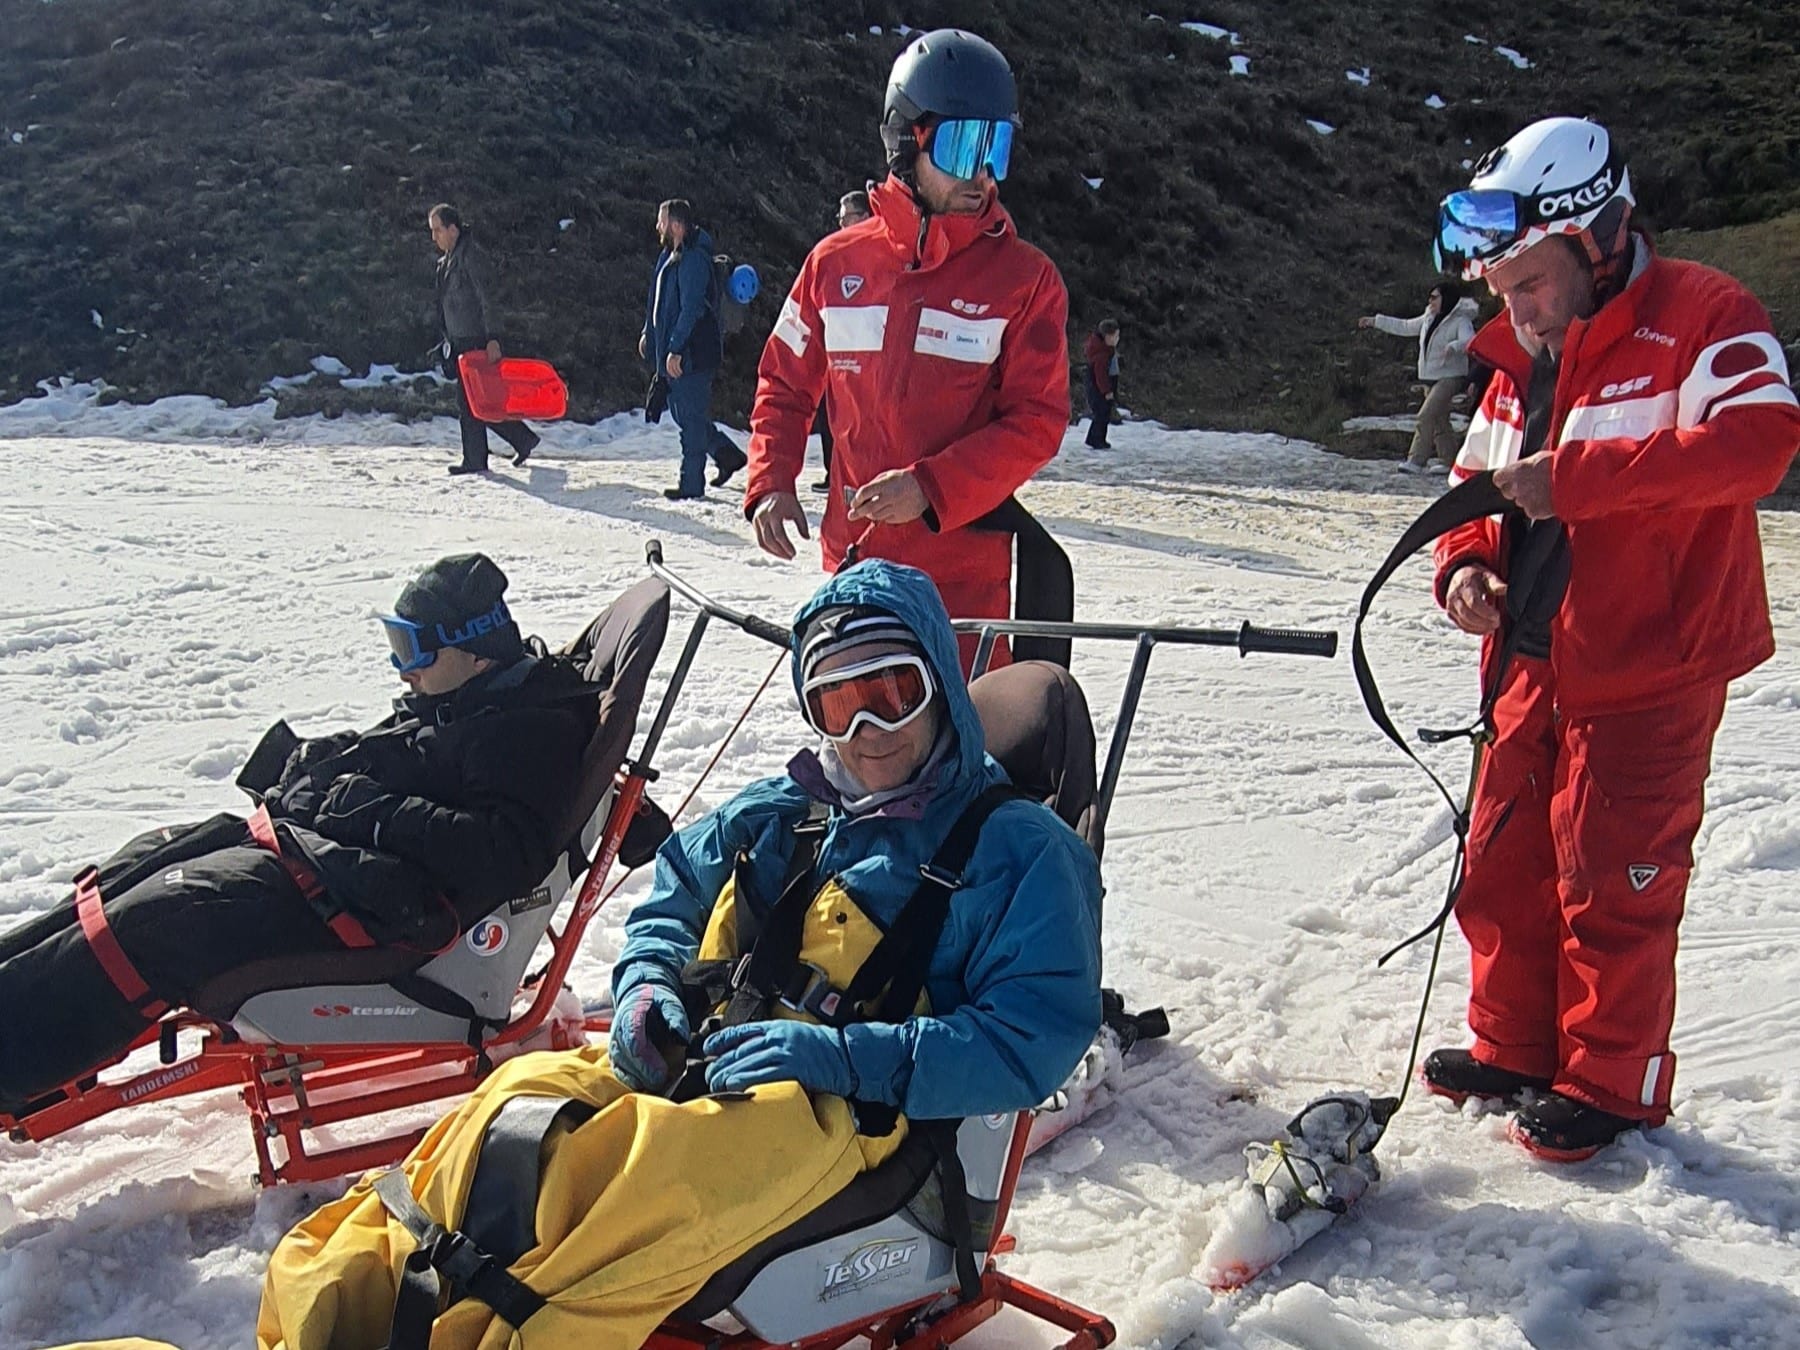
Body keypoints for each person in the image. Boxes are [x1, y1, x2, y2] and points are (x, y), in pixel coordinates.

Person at [251, 560, 1103, 1349]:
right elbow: (675, 893)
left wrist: (847, 1058)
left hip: (862, 1116)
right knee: (503, 1111)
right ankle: (353, 1310)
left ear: (942, 692)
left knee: (627, 1189)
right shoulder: (791, 807)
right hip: (716, 1051)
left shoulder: (1023, 855)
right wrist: (646, 985)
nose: (870, 731)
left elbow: (1027, 1041)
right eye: (839, 705)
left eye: (893, 693)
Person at [1421, 116, 1800, 1160]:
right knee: (1501, 861)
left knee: (1615, 873)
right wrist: (1463, 570)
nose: (1520, 308)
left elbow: (1762, 445)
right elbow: (1472, 489)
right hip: (1530, 656)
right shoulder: (1517, 358)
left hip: (1653, 662)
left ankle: (1611, 1084)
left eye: (1534, 283)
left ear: (1600, 236)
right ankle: (1513, 1044)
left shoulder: (1705, 314)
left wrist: (1583, 481)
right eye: (1502, 289)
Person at [0, 555, 596, 1117]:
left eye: (415, 651)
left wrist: (358, 805)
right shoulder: (479, 697)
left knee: (158, 923)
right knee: (149, 860)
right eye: (396, 644)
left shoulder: (527, 733)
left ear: (477, 653)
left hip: (373, 915)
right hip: (333, 865)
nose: (403, 668)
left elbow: (497, 854)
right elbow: (418, 759)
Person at [743, 30, 1072, 671]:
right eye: (961, 147)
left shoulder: (1025, 282)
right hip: (855, 576)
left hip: (963, 596)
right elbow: (784, 382)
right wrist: (770, 479)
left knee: (957, 764)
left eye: (995, 148)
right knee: (860, 749)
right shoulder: (834, 265)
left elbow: (1037, 422)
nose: (981, 174)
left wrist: (930, 488)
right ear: (906, 142)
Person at [641, 198, 748, 501]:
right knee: (684, 413)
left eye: (661, 221)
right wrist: (648, 332)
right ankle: (726, 454)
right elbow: (658, 301)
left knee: (689, 418)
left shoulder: (694, 261)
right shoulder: (669, 256)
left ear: (676, 225)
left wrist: (675, 348)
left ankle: (691, 483)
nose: (657, 226)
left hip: (693, 354)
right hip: (675, 353)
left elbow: (690, 309)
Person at [429, 204, 541, 476]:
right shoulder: (446, 261)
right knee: (477, 402)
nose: (434, 237)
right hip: (459, 342)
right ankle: (519, 440)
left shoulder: (471, 256)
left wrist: (493, 338)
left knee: (474, 403)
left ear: (453, 229)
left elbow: (487, 299)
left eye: (437, 230)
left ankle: (478, 458)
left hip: (476, 341)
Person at [1359, 282, 1479, 474]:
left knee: (1426, 415)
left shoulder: (1461, 320)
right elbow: (1405, 326)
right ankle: (1450, 462)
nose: (1430, 301)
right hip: (1430, 377)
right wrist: (1375, 321)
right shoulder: (1428, 317)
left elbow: (1470, 341)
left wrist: (1454, 346)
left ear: (1446, 299)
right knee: (1439, 419)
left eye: (1434, 297)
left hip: (1451, 376)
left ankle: (1416, 460)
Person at [809, 188, 877, 494]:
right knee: (830, 420)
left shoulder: (882, 255)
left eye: (844, 218)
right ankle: (833, 473)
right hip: (834, 358)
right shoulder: (834, 257)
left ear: (864, 217)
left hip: (870, 364)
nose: (840, 225)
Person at [1082, 318, 1121, 449]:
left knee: (1103, 414)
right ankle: (1096, 440)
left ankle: (1096, 438)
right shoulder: (1101, 355)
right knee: (1101, 414)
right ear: (1108, 337)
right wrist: (1107, 391)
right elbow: (1101, 375)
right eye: (1116, 336)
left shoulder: (1107, 350)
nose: (1117, 339)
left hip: (1102, 387)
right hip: (1099, 390)